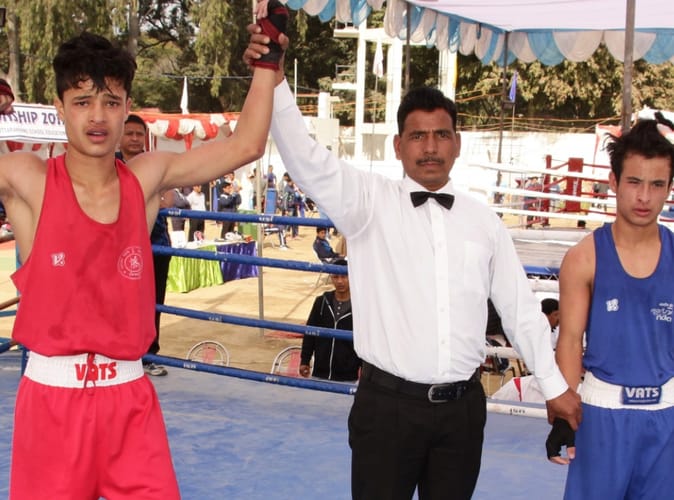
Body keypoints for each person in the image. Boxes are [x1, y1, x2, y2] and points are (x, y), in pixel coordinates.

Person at [245, 24, 580, 500]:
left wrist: (554, 385)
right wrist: (275, 80)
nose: (430, 146)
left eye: (441, 135)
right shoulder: (367, 203)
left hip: (463, 411)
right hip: (387, 409)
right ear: (398, 146)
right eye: (418, 136)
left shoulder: (484, 222)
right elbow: (305, 157)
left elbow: (520, 310)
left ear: (457, 143)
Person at [1, 26, 279, 498]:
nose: (98, 116)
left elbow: (245, 146)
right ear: (59, 108)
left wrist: (267, 63)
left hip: (129, 402)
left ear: (127, 105)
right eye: (82, 101)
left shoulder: (145, 179)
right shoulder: (29, 178)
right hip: (51, 405)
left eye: (111, 102)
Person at [547, 118, 674, 499]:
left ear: (669, 188)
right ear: (614, 182)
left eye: (657, 185)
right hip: (601, 416)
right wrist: (564, 415)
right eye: (634, 182)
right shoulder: (584, 258)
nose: (644, 197)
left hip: (667, 416)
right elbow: (570, 340)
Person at [117, 113, 170, 376]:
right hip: (119, 246)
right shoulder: (108, 165)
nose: (135, 138)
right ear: (119, 136)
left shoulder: (154, 163)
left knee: (153, 301)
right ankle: (121, 353)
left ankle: (148, 355)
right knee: (120, 301)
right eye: (130, 133)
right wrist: (149, 196)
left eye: (139, 134)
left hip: (157, 243)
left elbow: (168, 199)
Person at [299, 258, 360, 382]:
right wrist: (305, 360)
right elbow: (310, 332)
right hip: (320, 373)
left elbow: (366, 340)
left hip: (348, 376)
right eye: (335, 277)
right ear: (331, 278)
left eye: (344, 277)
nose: (340, 281)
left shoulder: (360, 306)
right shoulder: (321, 302)